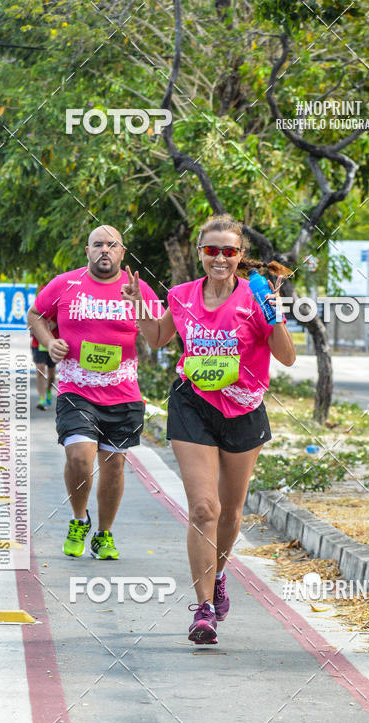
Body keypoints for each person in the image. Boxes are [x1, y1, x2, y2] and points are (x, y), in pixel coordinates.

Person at [122, 213, 296, 643]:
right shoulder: (181, 295)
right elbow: (158, 337)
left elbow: (287, 358)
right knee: (204, 508)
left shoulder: (257, 298)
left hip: (243, 408)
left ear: (241, 256)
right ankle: (202, 610)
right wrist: (137, 303)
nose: (220, 258)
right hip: (192, 403)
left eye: (230, 251)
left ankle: (218, 574)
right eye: (211, 250)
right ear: (200, 252)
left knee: (232, 512)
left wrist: (274, 314)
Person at [27, 224, 162, 560]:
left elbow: (158, 334)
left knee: (114, 467)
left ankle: (104, 534)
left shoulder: (137, 287)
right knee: (79, 457)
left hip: (123, 393)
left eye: (111, 245)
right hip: (77, 389)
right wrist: (49, 341)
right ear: (87, 251)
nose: (105, 250)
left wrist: (140, 304)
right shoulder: (65, 284)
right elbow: (35, 315)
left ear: (122, 252)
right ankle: (78, 519)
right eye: (98, 244)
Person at [30, 305, 58, 410]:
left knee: (51, 375)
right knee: (40, 369)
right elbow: (30, 325)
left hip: (52, 343)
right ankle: (42, 399)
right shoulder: (36, 309)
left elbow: (52, 326)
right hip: (37, 343)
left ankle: (48, 390)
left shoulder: (56, 310)